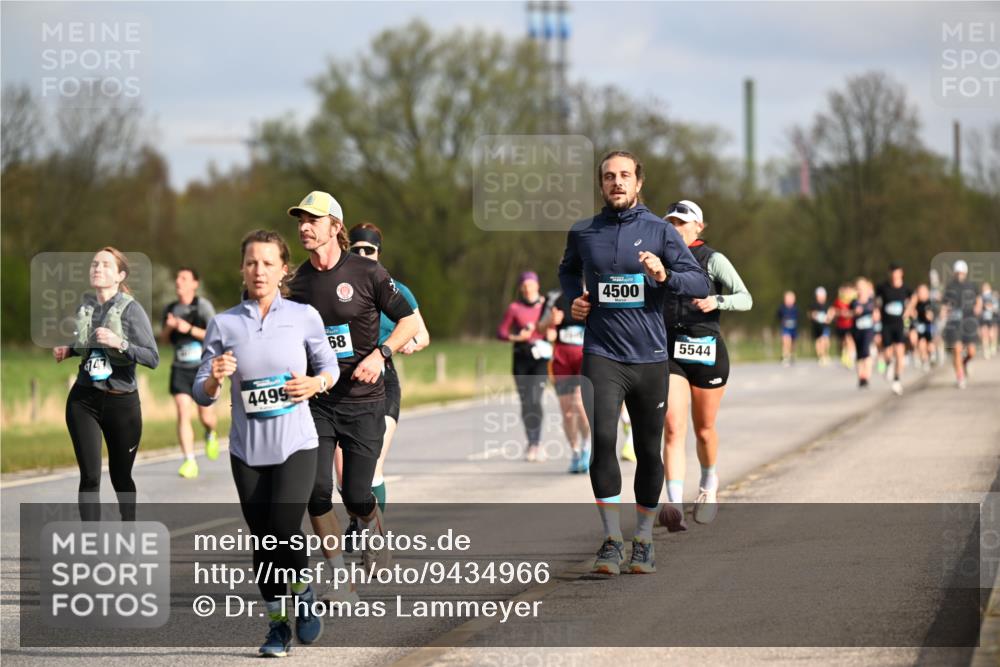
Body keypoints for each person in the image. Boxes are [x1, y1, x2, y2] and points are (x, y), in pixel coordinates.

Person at [559, 150, 710, 575]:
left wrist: (664, 275)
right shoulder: (584, 231)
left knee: (647, 449)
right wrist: (573, 300)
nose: (617, 182)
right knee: (604, 441)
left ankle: (643, 539)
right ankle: (611, 539)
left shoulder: (660, 231)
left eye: (625, 175)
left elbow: (699, 281)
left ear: (638, 182)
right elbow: (568, 271)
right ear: (601, 184)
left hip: (650, 357)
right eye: (609, 176)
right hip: (602, 354)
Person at [194, 230, 338, 657]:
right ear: (242, 268)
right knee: (263, 540)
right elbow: (202, 391)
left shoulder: (304, 316)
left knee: (282, 529)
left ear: (283, 270)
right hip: (247, 450)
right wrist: (215, 377)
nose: (259, 270)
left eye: (268, 263)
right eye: (252, 263)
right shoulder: (223, 324)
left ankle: (304, 593)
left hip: (296, 443)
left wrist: (315, 383)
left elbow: (329, 366)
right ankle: (278, 626)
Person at [286, 191, 418, 586]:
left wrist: (381, 354)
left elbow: (409, 322)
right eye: (300, 220)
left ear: (335, 227)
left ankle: (373, 526)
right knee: (316, 492)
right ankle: (339, 578)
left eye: (313, 220)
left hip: (363, 400)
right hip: (318, 400)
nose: (304, 227)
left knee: (357, 494)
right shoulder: (296, 282)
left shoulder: (367, 272)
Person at [660, 200, 753, 531]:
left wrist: (717, 300)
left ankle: (708, 484)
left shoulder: (713, 259)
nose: (675, 228)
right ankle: (673, 503)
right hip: (670, 351)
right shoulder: (659, 259)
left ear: (699, 226)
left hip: (706, 351)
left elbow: (745, 297)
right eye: (671, 222)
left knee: (703, 429)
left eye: (682, 222)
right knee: (673, 426)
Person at [338, 222, 430, 545]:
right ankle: (357, 519)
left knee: (373, 462)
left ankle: (374, 536)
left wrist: (406, 344)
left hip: (383, 380)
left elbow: (422, 334)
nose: (363, 255)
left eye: (370, 250)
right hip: (342, 384)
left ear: (378, 253)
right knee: (343, 473)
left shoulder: (396, 289)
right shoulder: (337, 287)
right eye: (357, 250)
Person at [54, 247, 159, 522]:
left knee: (121, 477)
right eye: (94, 264)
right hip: (84, 400)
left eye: (105, 265)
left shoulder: (132, 310)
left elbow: (153, 357)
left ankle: (128, 529)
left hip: (121, 403)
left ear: (120, 275)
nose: (97, 268)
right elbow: (88, 345)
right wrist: (70, 350)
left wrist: (119, 343)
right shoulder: (86, 307)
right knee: (89, 477)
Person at [161, 267, 219, 478]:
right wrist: (169, 328)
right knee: (182, 410)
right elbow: (163, 341)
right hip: (180, 368)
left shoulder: (202, 306)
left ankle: (210, 432)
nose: (179, 282)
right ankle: (189, 461)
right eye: (177, 278)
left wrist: (189, 329)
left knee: (206, 416)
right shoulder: (170, 308)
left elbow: (216, 335)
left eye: (184, 278)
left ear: (195, 284)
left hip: (202, 368)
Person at [497, 271, 551, 462]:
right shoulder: (515, 308)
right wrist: (517, 337)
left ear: (537, 286)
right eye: (525, 286)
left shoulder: (546, 306)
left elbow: (554, 328)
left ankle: (537, 442)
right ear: (521, 288)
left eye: (531, 285)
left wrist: (550, 334)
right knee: (526, 401)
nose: (528, 289)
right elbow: (501, 332)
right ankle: (531, 441)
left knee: (535, 398)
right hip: (521, 357)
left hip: (540, 359)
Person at [539, 289, 591, 473]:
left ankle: (586, 446)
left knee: (580, 404)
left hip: (584, 357)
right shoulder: (555, 299)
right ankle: (575, 451)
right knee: (567, 413)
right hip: (562, 360)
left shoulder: (592, 294)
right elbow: (542, 330)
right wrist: (551, 322)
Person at [941, 260, 982, 389]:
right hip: (954, 322)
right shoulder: (950, 286)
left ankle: (964, 363)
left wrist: (978, 307)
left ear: (966, 272)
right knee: (957, 349)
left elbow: (978, 299)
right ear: (955, 273)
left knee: (971, 352)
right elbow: (945, 303)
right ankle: (960, 377)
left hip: (969, 320)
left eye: (962, 272)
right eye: (958, 272)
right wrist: (943, 314)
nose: (960, 274)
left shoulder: (972, 285)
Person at [875, 264, 916, 396]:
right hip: (886, 324)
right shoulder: (883, 287)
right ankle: (888, 363)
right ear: (889, 274)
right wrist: (876, 311)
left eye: (897, 273)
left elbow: (914, 297)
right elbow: (876, 301)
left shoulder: (906, 288)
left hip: (899, 324)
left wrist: (909, 310)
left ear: (901, 273)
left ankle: (897, 380)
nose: (894, 276)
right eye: (892, 273)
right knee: (887, 352)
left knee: (899, 351)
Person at [851, 278, 879, 389]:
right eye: (858, 288)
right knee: (859, 354)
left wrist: (875, 316)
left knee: (866, 351)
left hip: (868, 330)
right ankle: (860, 377)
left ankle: (866, 376)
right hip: (857, 330)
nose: (860, 291)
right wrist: (854, 312)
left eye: (862, 288)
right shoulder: (854, 302)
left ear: (867, 289)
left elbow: (877, 315)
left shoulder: (872, 302)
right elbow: (850, 314)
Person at [909, 284, 935, 371]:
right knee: (920, 343)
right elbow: (909, 315)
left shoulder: (930, 303)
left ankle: (930, 356)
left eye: (923, 292)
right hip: (918, 326)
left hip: (928, 326)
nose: (921, 294)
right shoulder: (914, 303)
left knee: (929, 344)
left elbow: (932, 315)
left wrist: (930, 316)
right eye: (919, 292)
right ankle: (924, 359)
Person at [832, 284, 857, 368]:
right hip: (840, 325)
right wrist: (840, 313)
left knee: (849, 340)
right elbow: (834, 311)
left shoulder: (853, 301)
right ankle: (844, 354)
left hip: (850, 325)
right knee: (843, 342)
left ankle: (851, 358)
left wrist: (849, 314)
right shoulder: (838, 301)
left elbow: (856, 311)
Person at [809, 287, 833, 366]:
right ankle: (820, 356)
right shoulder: (814, 305)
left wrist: (829, 318)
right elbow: (811, 314)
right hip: (817, 326)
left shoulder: (828, 305)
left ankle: (826, 354)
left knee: (825, 339)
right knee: (818, 341)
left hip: (825, 326)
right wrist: (815, 316)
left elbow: (831, 313)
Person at [777, 291, 798, 366]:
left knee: (792, 343)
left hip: (793, 329)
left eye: (791, 299)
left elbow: (798, 318)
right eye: (787, 298)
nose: (789, 300)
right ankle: (785, 356)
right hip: (785, 328)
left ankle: (791, 354)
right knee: (786, 340)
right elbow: (778, 316)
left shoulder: (795, 309)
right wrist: (783, 321)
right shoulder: (782, 308)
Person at [980, 282, 997, 359]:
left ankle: (992, 347)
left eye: (986, 287)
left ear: (989, 288)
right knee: (984, 334)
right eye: (984, 287)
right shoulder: (980, 297)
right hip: (983, 318)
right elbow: (978, 307)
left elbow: (996, 308)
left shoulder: (993, 296)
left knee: (991, 335)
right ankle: (986, 351)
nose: (985, 288)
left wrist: (990, 307)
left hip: (991, 318)